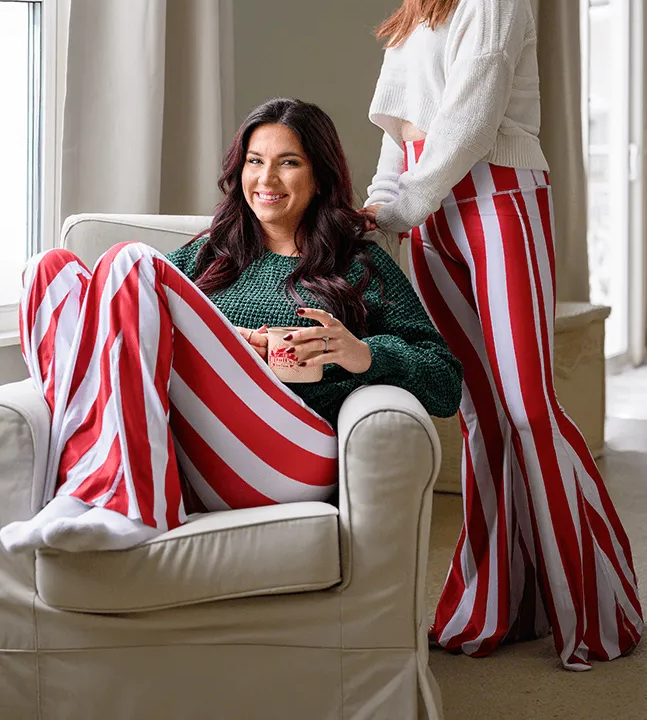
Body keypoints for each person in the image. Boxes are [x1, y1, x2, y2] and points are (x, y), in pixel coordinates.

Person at [361, 0, 643, 671]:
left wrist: (403, 202)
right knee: (481, 412)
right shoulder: (414, 14)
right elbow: (397, 133)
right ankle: (499, 601)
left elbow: (471, 119)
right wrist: (380, 206)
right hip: (431, 210)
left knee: (526, 404)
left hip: (495, 198)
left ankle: (600, 607)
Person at [0, 97, 462, 555]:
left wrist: (361, 353)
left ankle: (127, 505)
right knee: (49, 270)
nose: (266, 179)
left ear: (319, 177)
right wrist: (219, 344)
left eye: (288, 163)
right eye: (255, 161)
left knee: (131, 261)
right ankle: (84, 489)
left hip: (291, 458)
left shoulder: (359, 263)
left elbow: (445, 381)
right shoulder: (209, 256)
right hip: (193, 455)